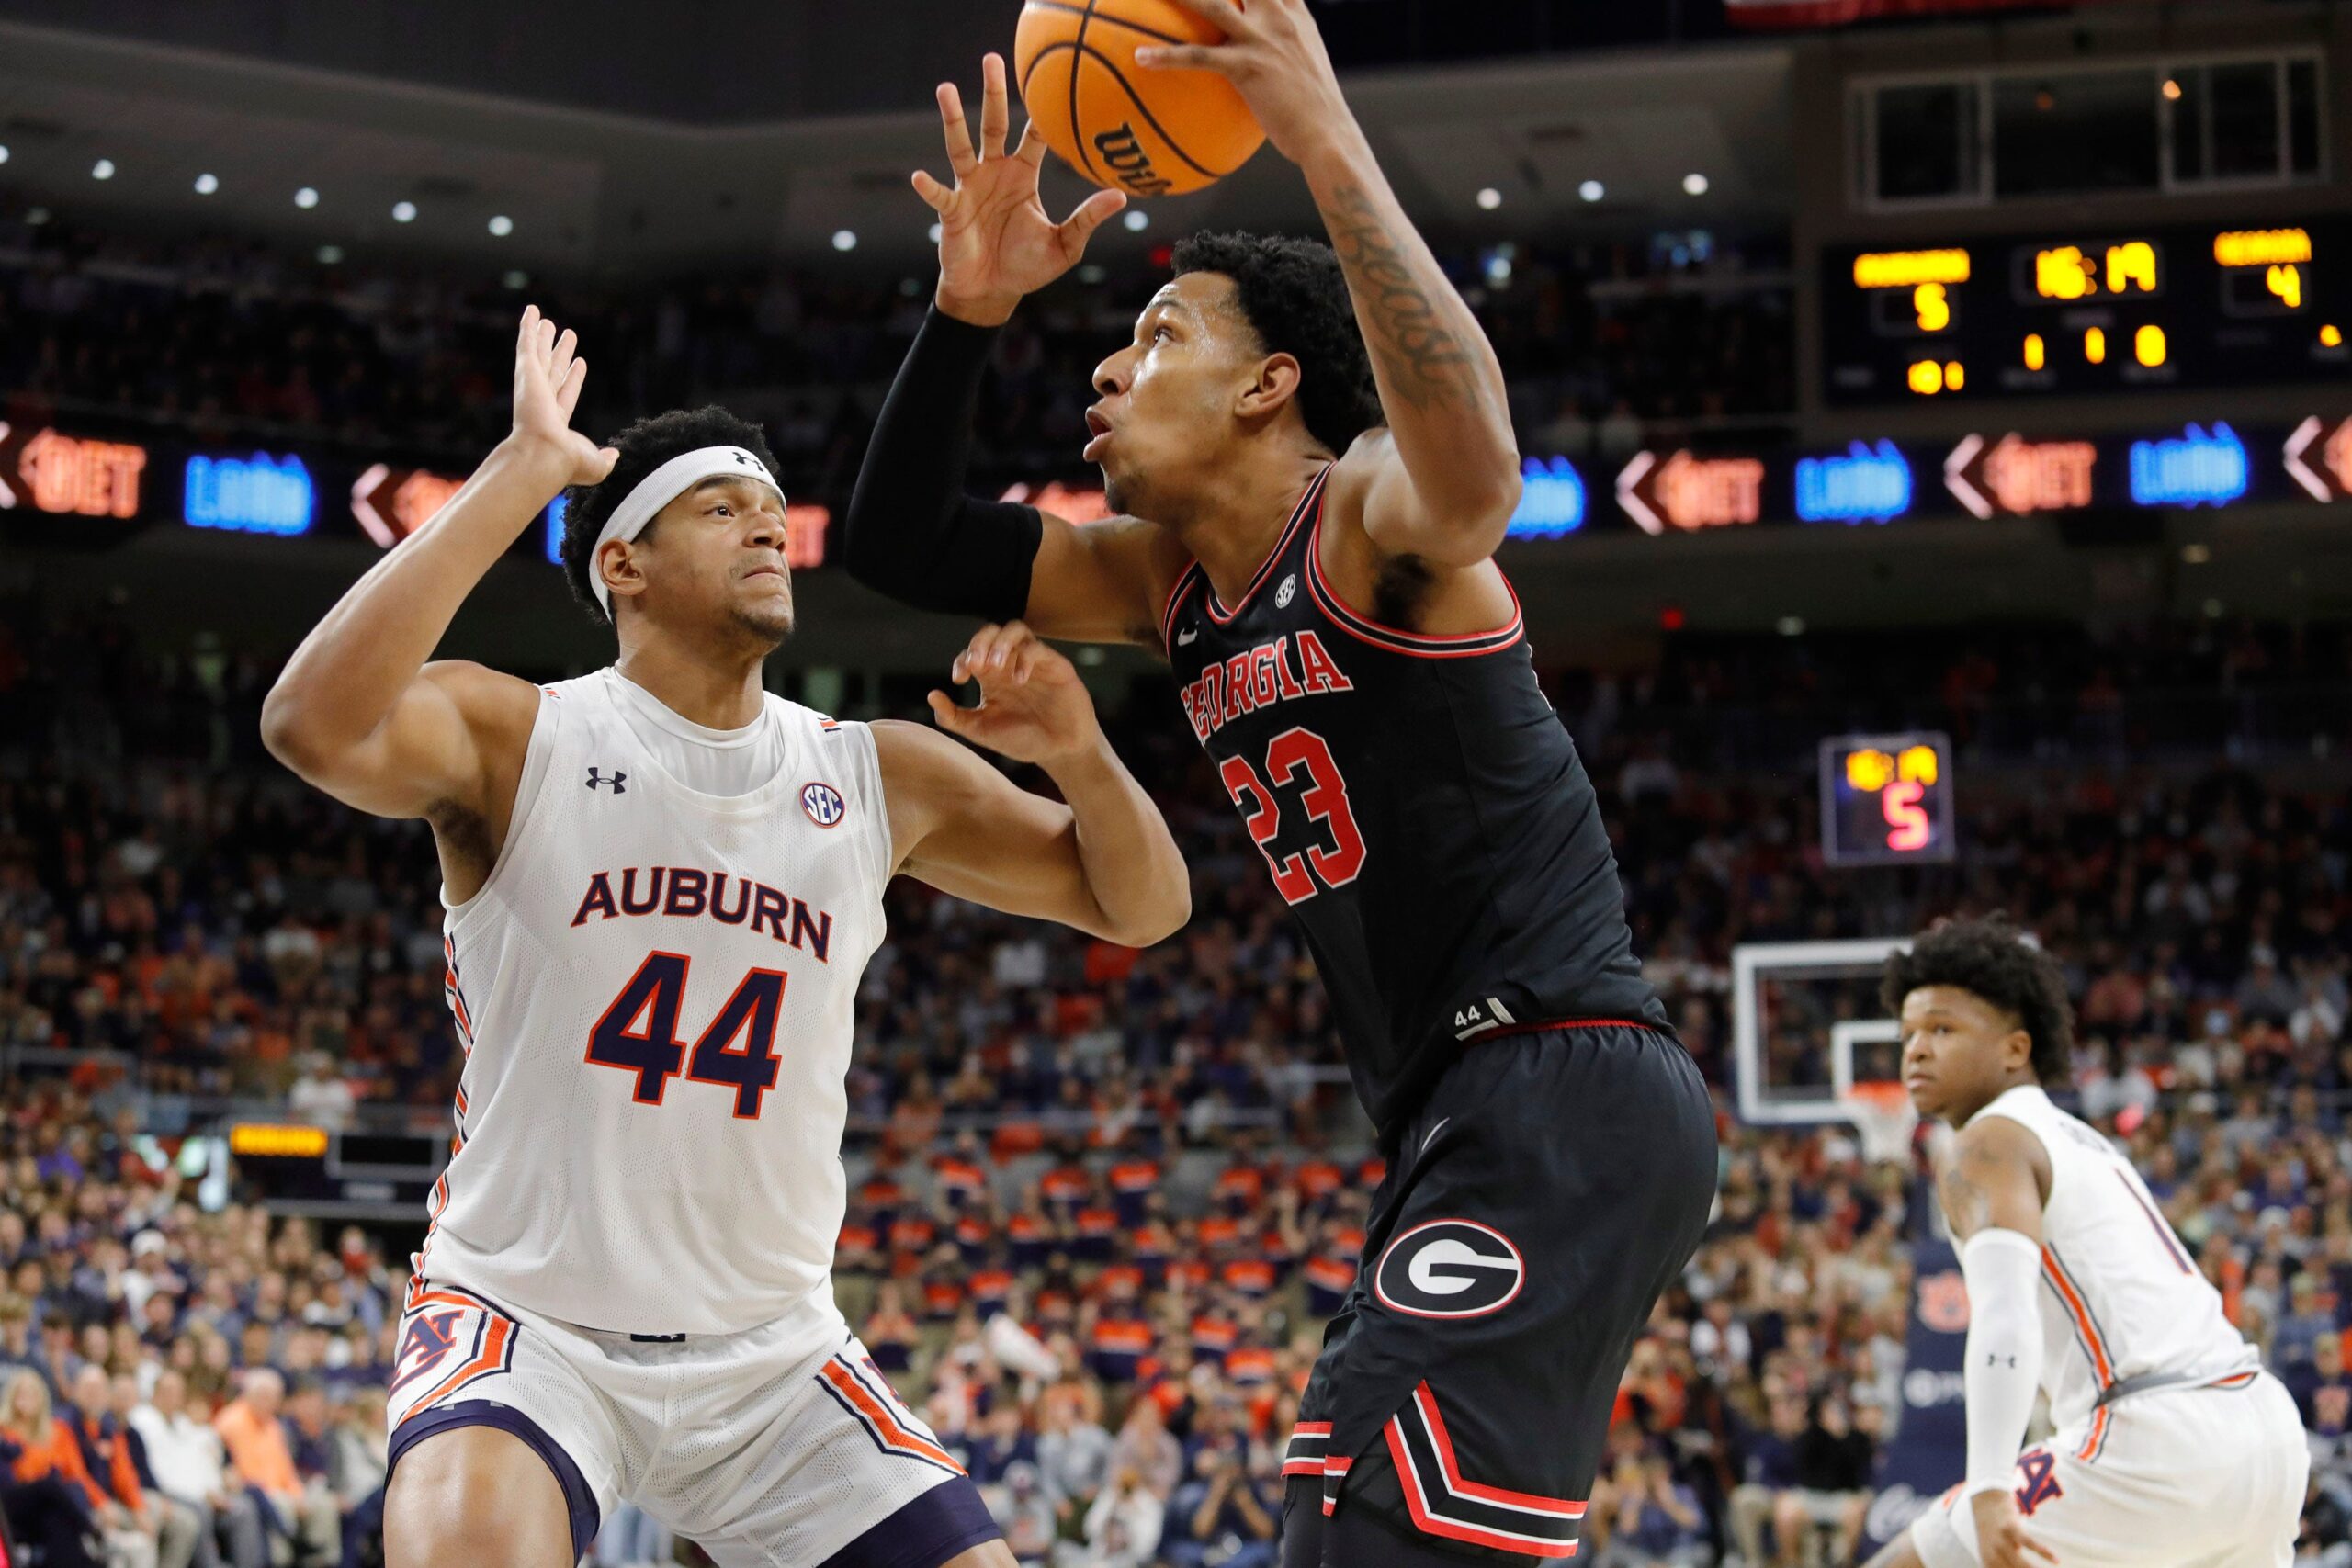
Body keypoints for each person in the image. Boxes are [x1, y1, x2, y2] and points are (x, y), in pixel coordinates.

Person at [844, 9, 1717, 1562]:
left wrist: (1322, 141)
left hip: (1562, 1080)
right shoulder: (1167, 582)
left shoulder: (1367, 514)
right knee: (1377, 1514)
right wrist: (966, 314)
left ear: (1269, 389)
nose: (1110, 366)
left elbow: (1481, 475)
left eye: (1163, 335)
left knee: (1360, 1511)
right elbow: (898, 544)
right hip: (1460, 1108)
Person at [260, 308, 1189, 1568]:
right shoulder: (517, 734)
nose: (765, 521)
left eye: (771, 503)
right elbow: (311, 722)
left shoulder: (879, 773)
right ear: (624, 565)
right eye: (719, 505)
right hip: (532, 1324)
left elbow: (1143, 904)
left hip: (773, 1352)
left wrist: (1080, 750)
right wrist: (520, 473)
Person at [1867, 916, 2309, 1568]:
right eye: (1907, 1033)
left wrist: (1991, 1486)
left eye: (1942, 1028)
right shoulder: (2080, 1137)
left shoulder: (1985, 1142)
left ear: (2016, 1048)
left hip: (2158, 1437)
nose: (1916, 1049)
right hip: (2262, 1429)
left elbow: (2004, 1313)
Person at [129, 1370, 266, 1568]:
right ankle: (209, 1564)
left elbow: (199, 1463)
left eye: (177, 1392)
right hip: (166, 1491)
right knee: (199, 1510)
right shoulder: (142, 1421)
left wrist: (213, 1491)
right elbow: (158, 1472)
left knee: (244, 1508)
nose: (172, 1397)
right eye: (167, 1390)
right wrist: (201, 1495)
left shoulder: (184, 1424)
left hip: (198, 1492)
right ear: (155, 1392)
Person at [210, 1370, 336, 1564]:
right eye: (267, 1397)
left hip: (281, 1491)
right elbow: (240, 1471)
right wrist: (286, 1497)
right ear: (250, 1394)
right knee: (281, 1504)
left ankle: (320, 1560)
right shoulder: (232, 1421)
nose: (273, 1404)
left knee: (324, 1504)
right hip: (253, 1491)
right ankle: (281, 1560)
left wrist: (297, 1494)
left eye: (276, 1398)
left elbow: (286, 1468)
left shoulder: (273, 1425)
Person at [2, 1366, 106, 1568]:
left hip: (42, 1507)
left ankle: (89, 1562)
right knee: (49, 1484)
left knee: (57, 1523)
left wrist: (100, 1502)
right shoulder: (4, 1431)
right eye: (21, 1393)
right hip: (10, 1503)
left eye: (32, 1394)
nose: (26, 1399)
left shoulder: (55, 1431)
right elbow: (21, 1475)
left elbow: (75, 1474)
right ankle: (89, 1529)